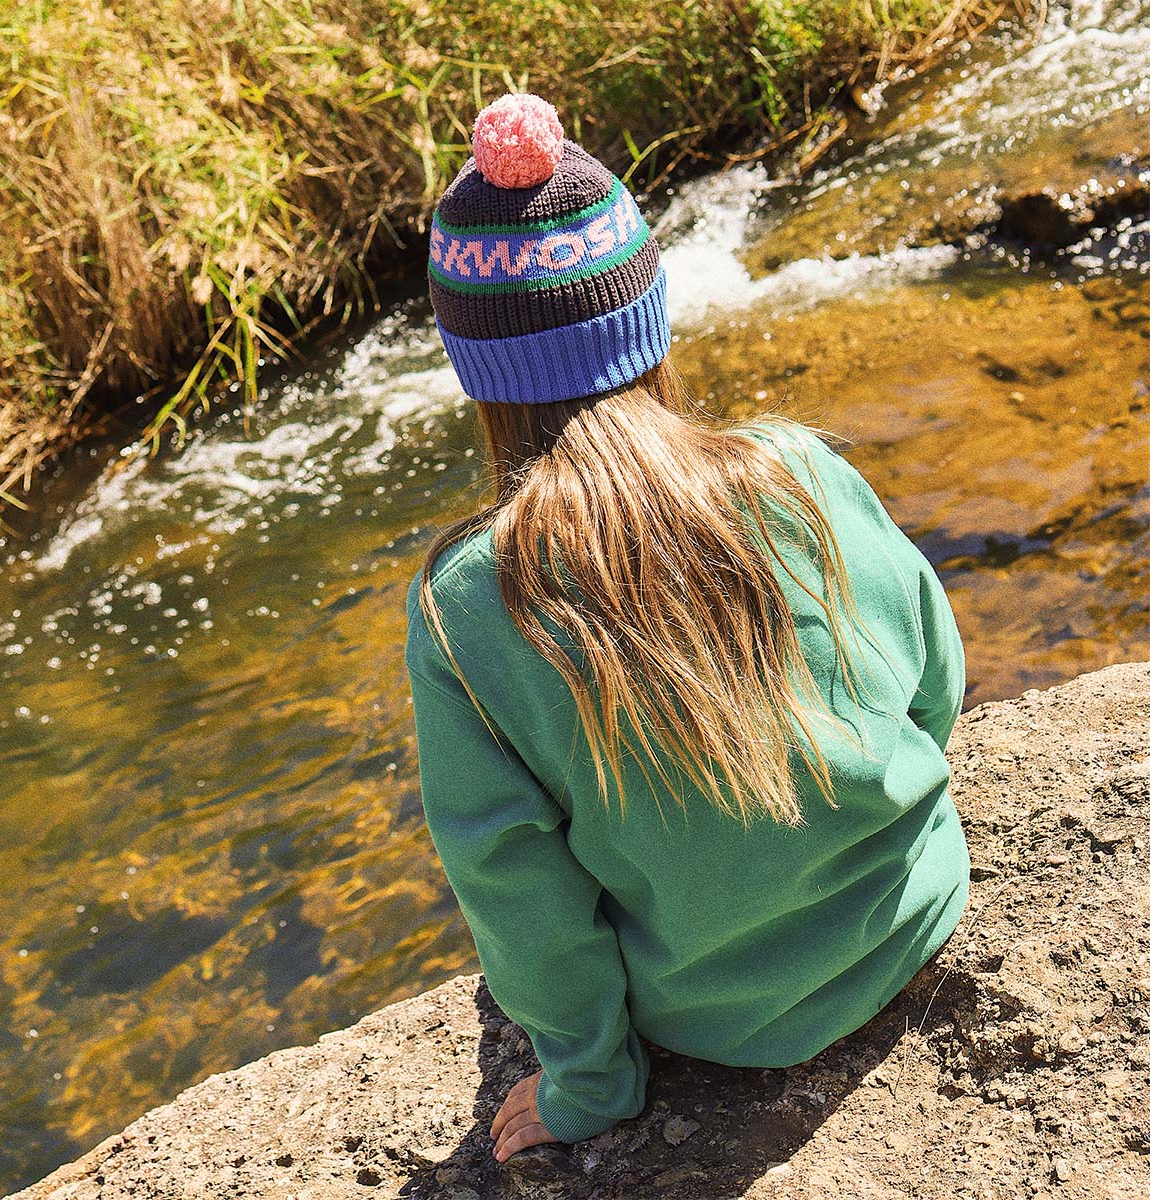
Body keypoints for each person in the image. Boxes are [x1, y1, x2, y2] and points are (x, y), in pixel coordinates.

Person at [404, 93, 970, 1164]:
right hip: (914, 911)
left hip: (723, 1024)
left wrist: (588, 1081)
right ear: (650, 319)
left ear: (477, 373)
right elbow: (935, 677)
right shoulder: (797, 470)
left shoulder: (465, 610)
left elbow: (518, 893)